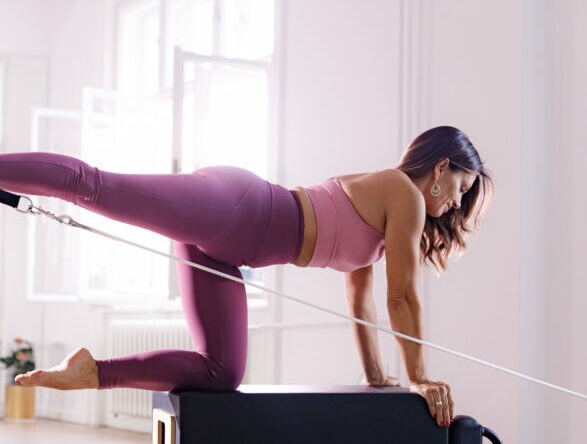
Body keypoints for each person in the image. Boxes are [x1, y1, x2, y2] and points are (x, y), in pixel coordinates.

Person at [0, 125, 492, 427]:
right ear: (441, 166)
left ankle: (92, 372)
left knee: (222, 372)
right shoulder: (403, 194)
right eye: (460, 187)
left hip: (226, 253)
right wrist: (421, 379)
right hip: (234, 208)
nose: (455, 202)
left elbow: (361, 302)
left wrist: (376, 377)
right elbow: (401, 296)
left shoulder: (385, 220)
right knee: (93, 186)